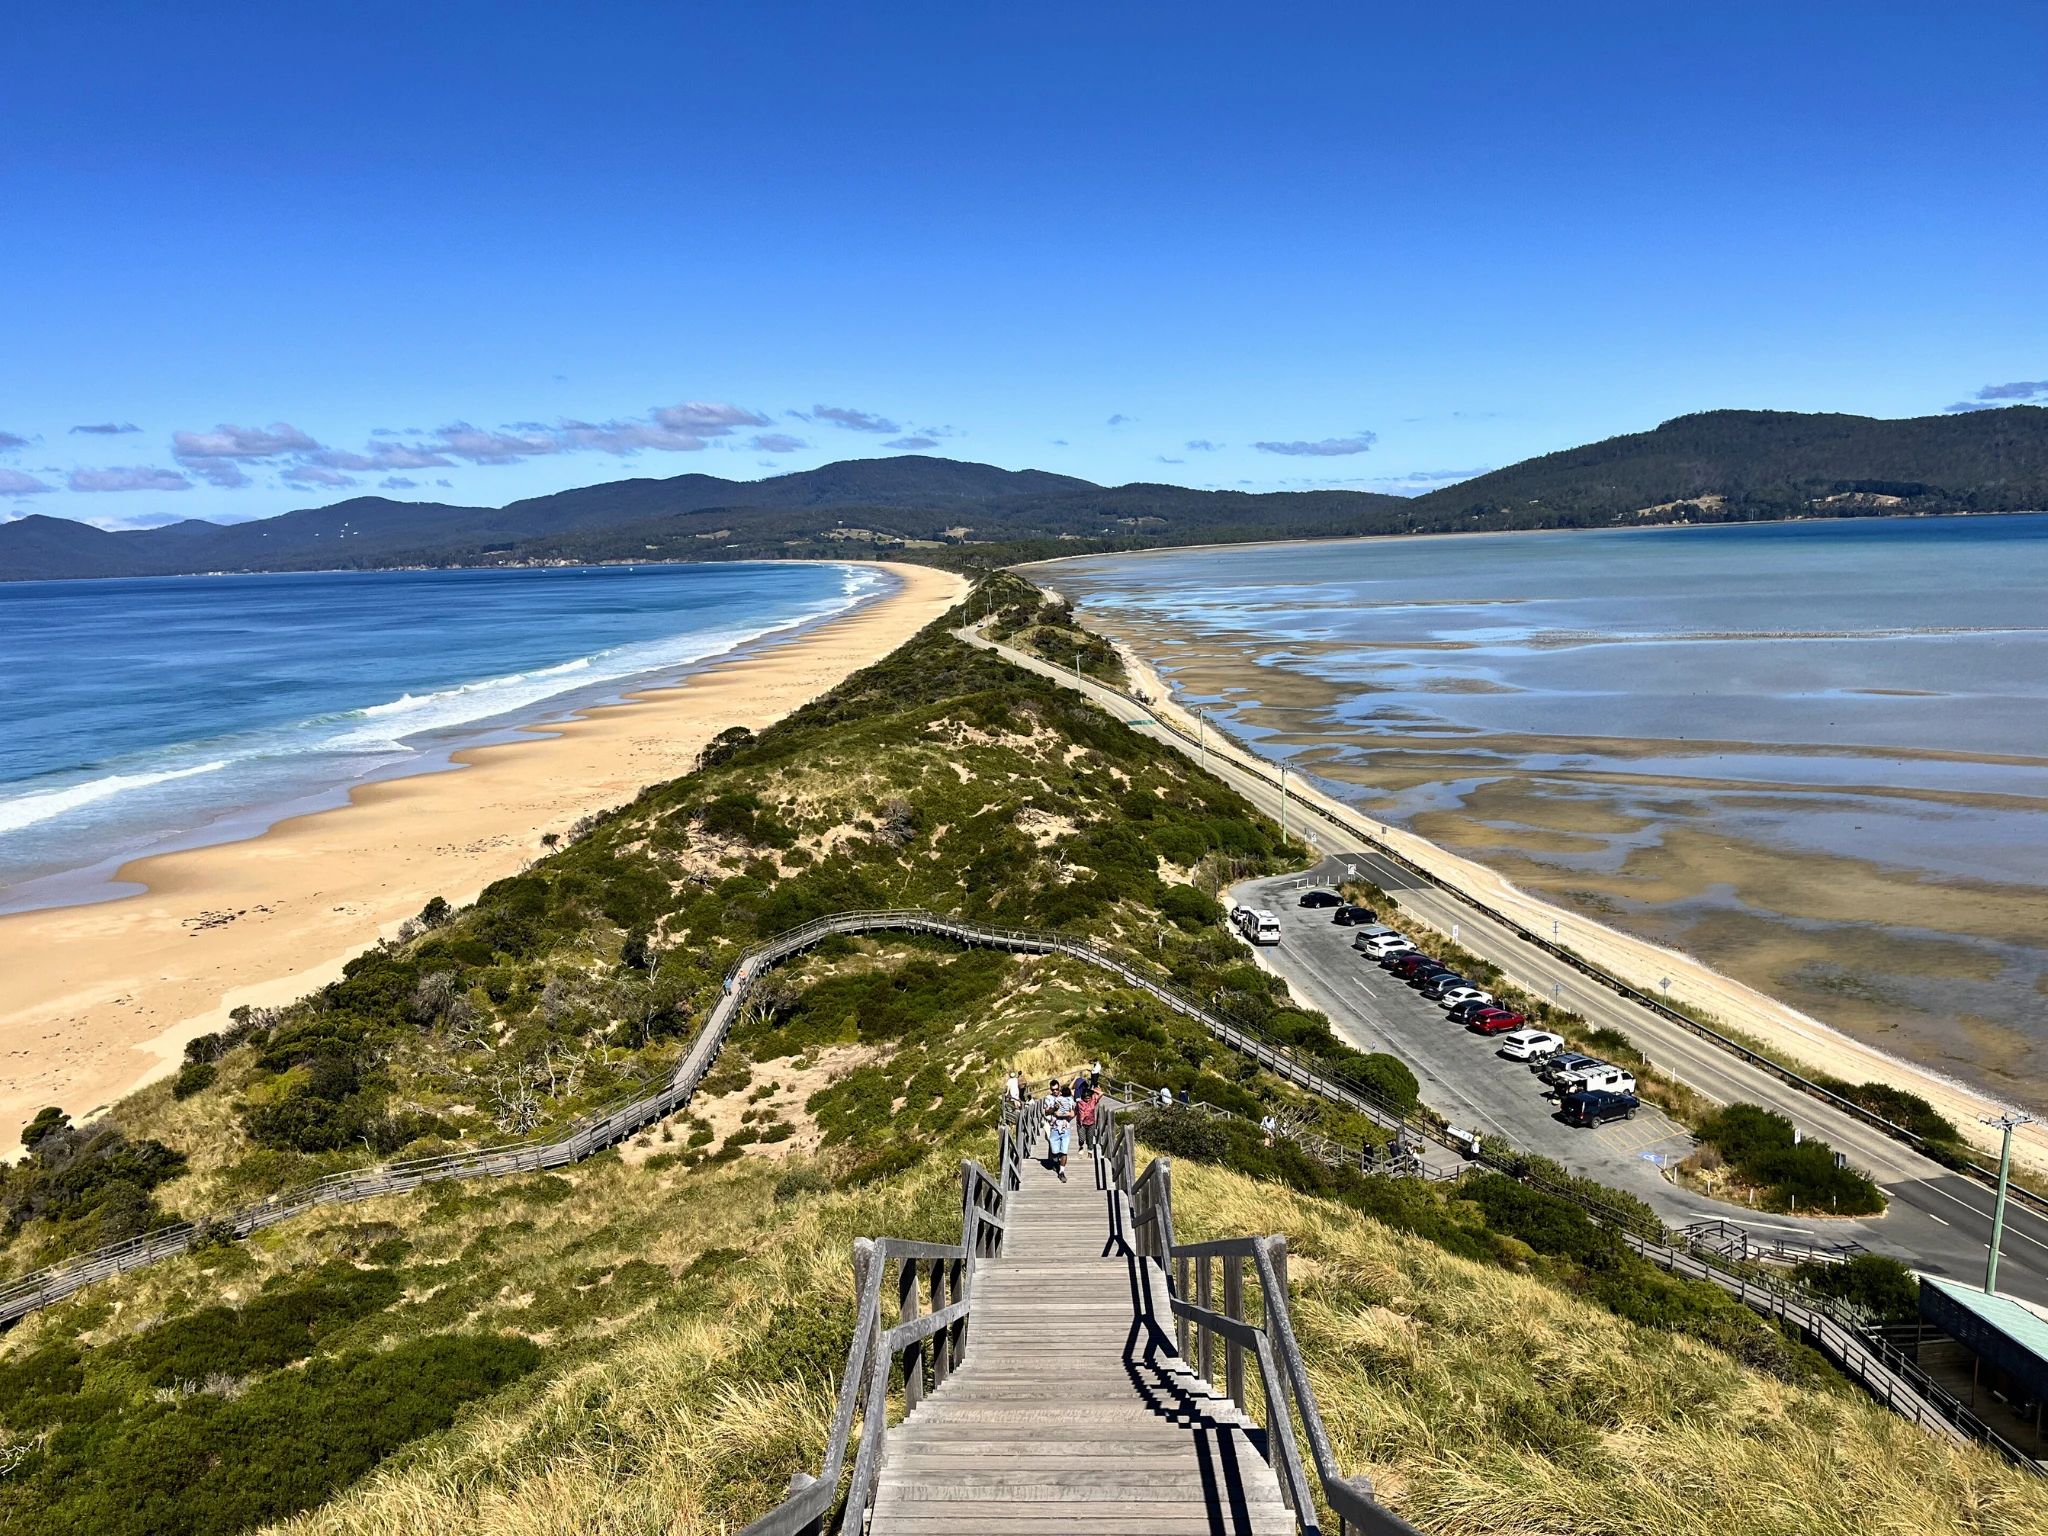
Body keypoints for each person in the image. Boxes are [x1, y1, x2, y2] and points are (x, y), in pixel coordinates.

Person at [1041, 1079, 1076, 1181]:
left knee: (1064, 1151)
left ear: (1059, 1087)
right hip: (1054, 1128)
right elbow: (1047, 1112)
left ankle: (1061, 1172)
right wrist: (1054, 1109)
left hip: (1065, 1128)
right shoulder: (1048, 1098)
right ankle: (1056, 1162)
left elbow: (1073, 1112)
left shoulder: (1067, 1097)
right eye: (1053, 1090)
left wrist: (1064, 1114)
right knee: (1054, 1150)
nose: (1055, 1091)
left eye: (1056, 1089)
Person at [1076, 1080, 1100, 1151]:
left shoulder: (1093, 1101)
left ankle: (1090, 1152)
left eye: (1089, 1098)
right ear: (1083, 1097)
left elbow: (1101, 1093)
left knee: (1090, 1139)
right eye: (1086, 1098)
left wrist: (1093, 1090)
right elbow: (1072, 1091)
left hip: (1091, 1123)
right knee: (1081, 1139)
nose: (1087, 1099)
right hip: (1081, 1124)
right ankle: (1081, 1146)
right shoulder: (1079, 1102)